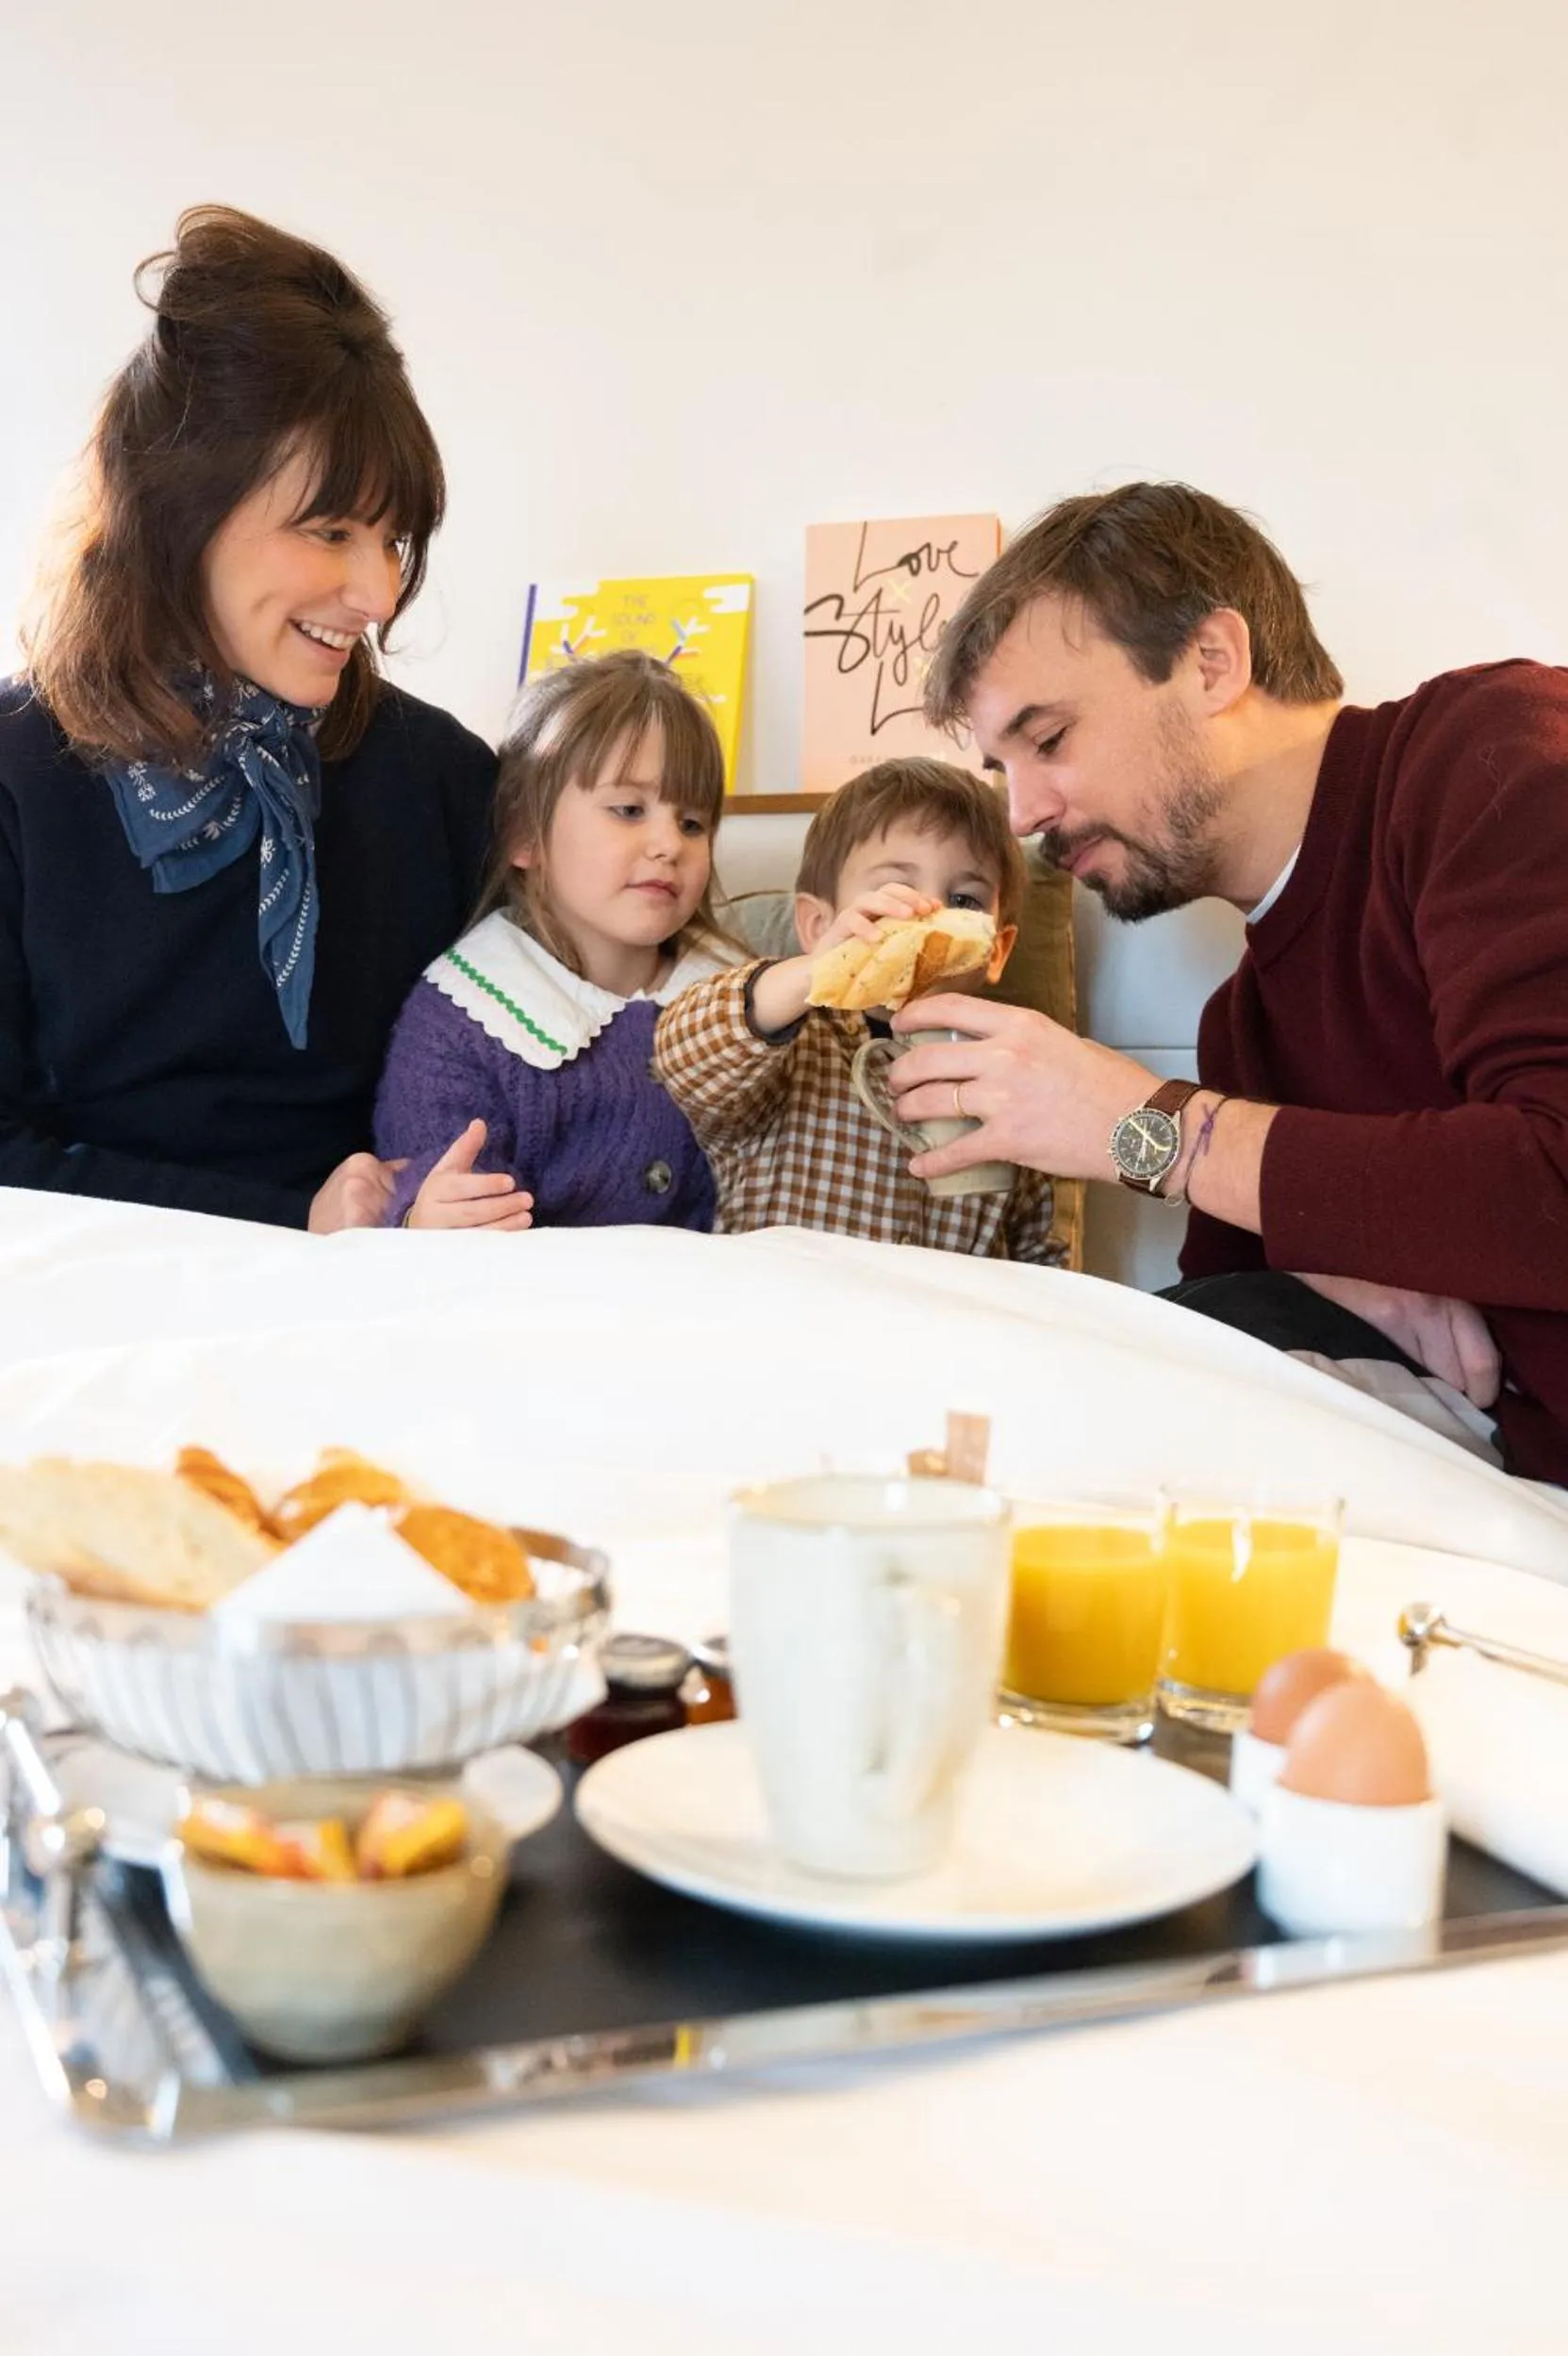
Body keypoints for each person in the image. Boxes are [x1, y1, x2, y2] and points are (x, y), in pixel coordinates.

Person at [886, 480, 1568, 1480]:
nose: (1023, 813)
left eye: (1048, 740)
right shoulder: (1243, 1028)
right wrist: (1338, 1274)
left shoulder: (1494, 754)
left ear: (1212, 662)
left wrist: (1145, 1122)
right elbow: (1223, 1336)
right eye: (1001, 770)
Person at [1, 206, 496, 1232]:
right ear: (180, 510)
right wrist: (289, 1224)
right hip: (89, 1305)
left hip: (397, 1299)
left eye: (394, 540)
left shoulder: (445, 779)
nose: (377, 595)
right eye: (329, 529)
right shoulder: (17, 778)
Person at [373, 650, 734, 1232]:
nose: (670, 843)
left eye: (693, 823)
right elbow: (432, 1183)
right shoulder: (465, 1018)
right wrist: (427, 1217)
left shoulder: (747, 997)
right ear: (525, 836)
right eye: (629, 810)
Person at [654, 758, 1065, 1263]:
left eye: (964, 898)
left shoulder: (1010, 1072)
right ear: (817, 925)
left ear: (996, 950)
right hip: (786, 1323)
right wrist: (814, 970)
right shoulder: (793, 1047)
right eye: (897, 893)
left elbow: (1037, 1248)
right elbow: (685, 1053)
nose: (928, 913)